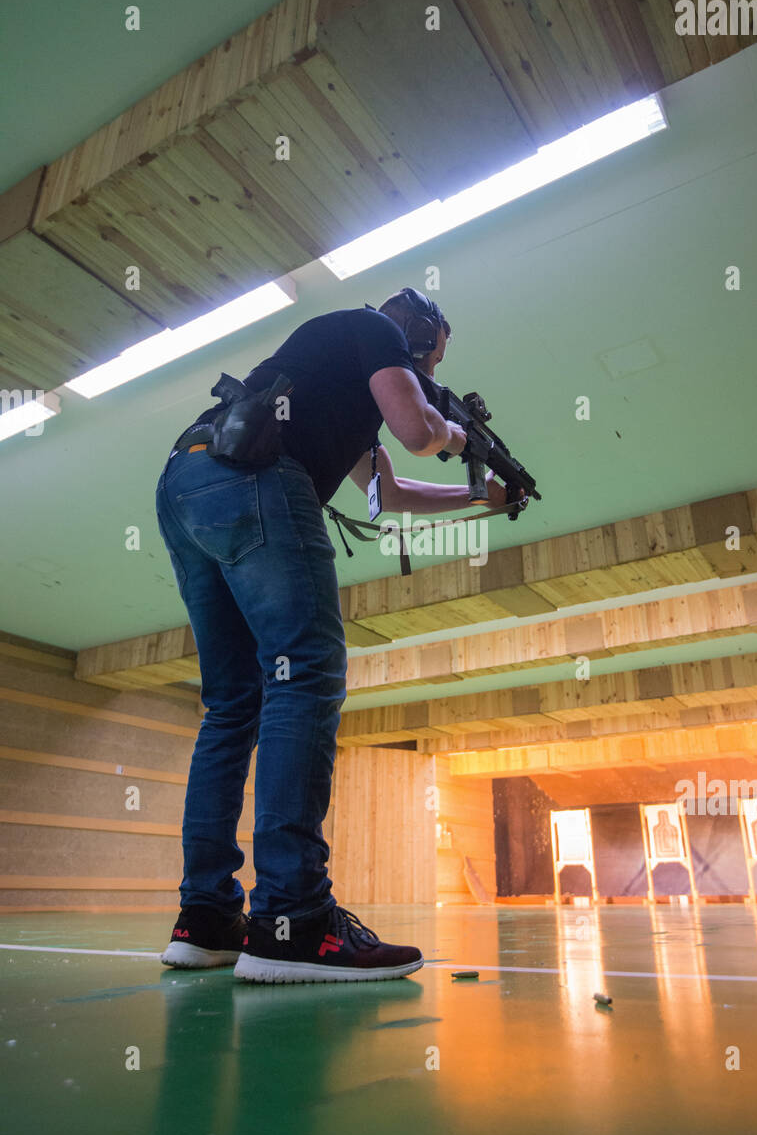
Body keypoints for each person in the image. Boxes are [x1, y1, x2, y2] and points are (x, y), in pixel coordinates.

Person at [155, 288, 509, 983]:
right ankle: (294, 922)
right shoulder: (374, 329)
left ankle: (206, 920)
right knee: (305, 672)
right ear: (429, 339)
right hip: (254, 478)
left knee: (234, 702)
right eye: (439, 348)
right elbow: (418, 430)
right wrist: (461, 438)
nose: (438, 357)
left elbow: (387, 493)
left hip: (189, 479)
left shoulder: (337, 376)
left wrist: (476, 497)